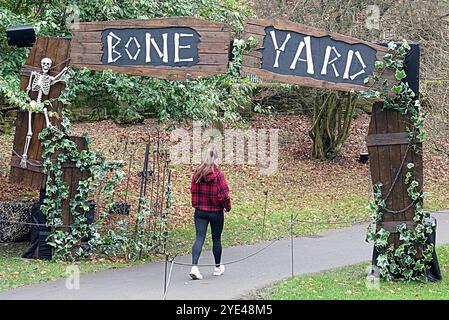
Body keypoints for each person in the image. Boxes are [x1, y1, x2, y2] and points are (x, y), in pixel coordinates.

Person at [189, 146, 231, 280]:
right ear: (216, 158)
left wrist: (196, 204)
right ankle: (218, 267)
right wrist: (227, 207)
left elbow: (193, 190)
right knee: (216, 238)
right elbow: (223, 195)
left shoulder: (197, 173)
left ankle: (194, 267)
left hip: (200, 211)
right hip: (215, 212)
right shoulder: (218, 175)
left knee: (199, 238)